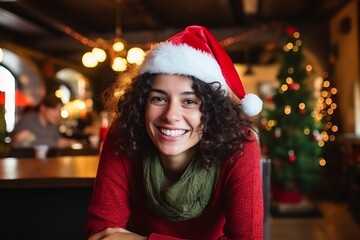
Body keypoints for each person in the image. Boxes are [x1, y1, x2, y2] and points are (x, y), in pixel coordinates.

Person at [85, 25, 264, 240]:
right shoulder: (124, 135)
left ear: (213, 112)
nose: (171, 115)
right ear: (142, 104)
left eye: (189, 101)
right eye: (158, 98)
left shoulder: (240, 145)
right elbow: (98, 235)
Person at [11, 93, 75, 148]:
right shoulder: (29, 119)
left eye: (59, 111)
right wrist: (55, 143)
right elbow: (18, 141)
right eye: (55, 109)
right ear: (43, 108)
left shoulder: (52, 126)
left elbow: (59, 141)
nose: (57, 114)